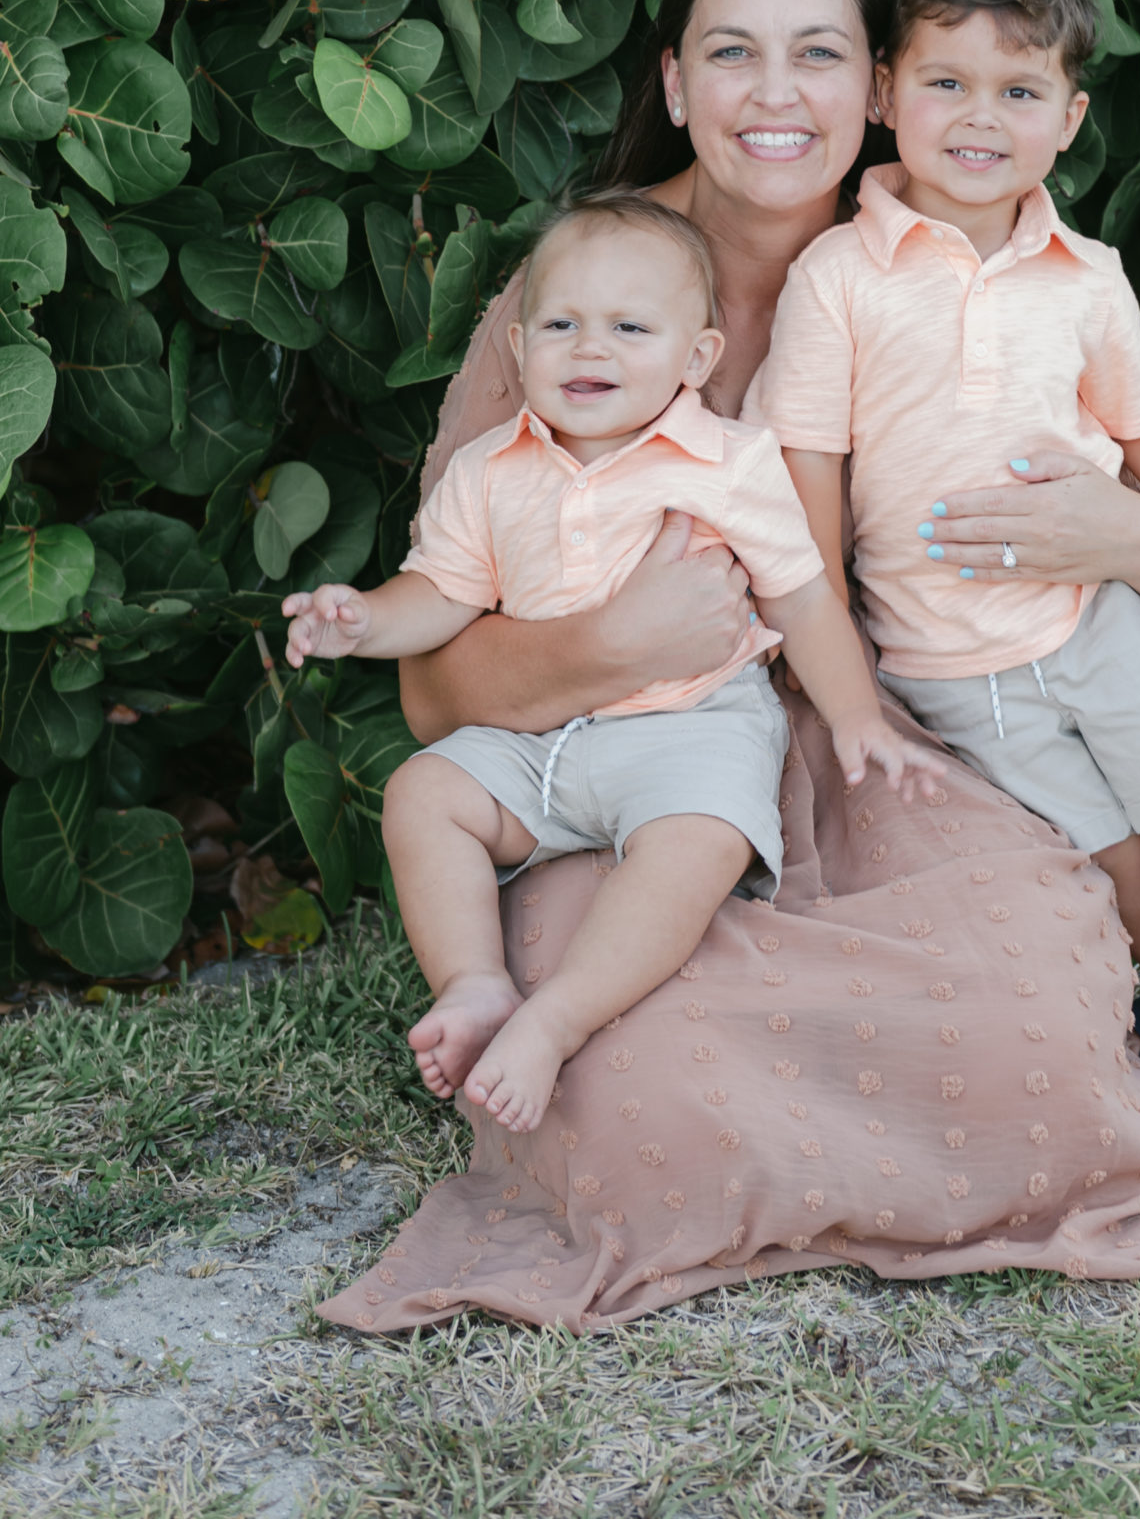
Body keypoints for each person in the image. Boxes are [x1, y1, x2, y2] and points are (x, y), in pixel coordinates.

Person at [317, 0, 1140, 1338]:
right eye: (733, 54)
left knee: (1039, 1034)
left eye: (818, 56)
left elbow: (1125, 463)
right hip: (624, 760)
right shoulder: (584, 297)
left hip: (901, 728)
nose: (776, 97)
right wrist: (615, 644)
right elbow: (433, 706)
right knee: (626, 1100)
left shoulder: (955, 263)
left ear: (877, 89)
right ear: (673, 83)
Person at [751, 0, 1140, 1151]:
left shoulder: (1084, 274)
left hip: (1099, 617)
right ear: (882, 97)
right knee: (1106, 851)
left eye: (1017, 91)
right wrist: (842, 677)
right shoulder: (836, 279)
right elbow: (807, 474)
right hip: (945, 656)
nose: (978, 116)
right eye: (945, 82)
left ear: (1066, 120)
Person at [284, 192, 937, 1135]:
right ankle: (472, 984)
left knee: (701, 838)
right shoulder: (488, 472)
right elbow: (442, 594)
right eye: (561, 325)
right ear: (519, 351)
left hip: (688, 723)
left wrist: (856, 715)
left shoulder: (725, 463)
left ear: (696, 357)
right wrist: (361, 621)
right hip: (539, 738)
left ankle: (556, 1018)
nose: (591, 349)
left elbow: (800, 597)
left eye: (630, 327)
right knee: (422, 793)